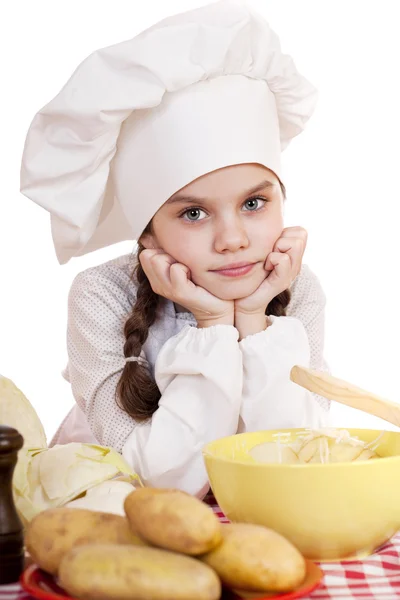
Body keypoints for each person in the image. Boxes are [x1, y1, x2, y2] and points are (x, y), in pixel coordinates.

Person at [20, 0, 330, 497]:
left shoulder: (293, 284)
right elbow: (161, 483)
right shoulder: (102, 297)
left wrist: (252, 317)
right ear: (147, 233)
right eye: (193, 213)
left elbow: (296, 462)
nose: (233, 240)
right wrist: (211, 325)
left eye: (254, 202)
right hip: (116, 510)